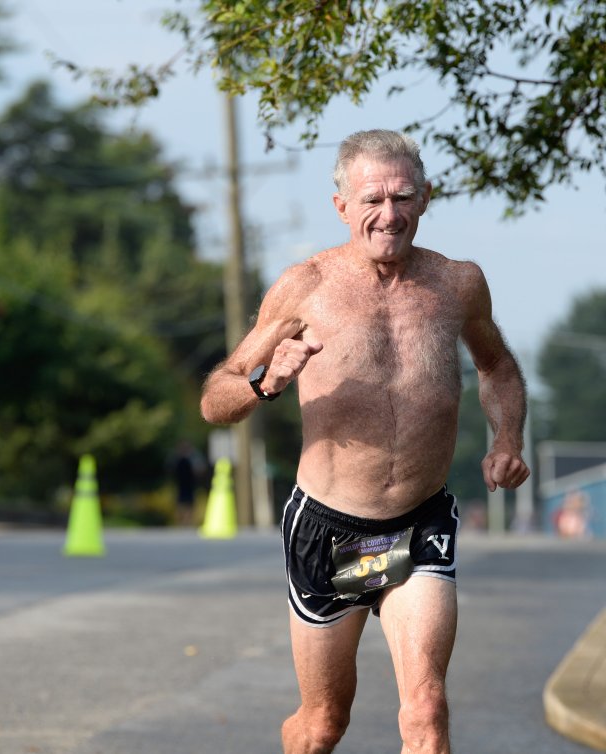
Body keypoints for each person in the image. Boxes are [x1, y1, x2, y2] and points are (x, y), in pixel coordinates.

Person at [200, 129, 530, 754]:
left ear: (426, 198)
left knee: (426, 711)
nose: (389, 214)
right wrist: (267, 384)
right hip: (331, 529)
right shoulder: (307, 285)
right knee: (323, 725)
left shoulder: (458, 284)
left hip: (417, 523)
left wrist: (506, 438)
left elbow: (498, 367)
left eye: (403, 196)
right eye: (372, 199)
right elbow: (216, 398)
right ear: (341, 206)